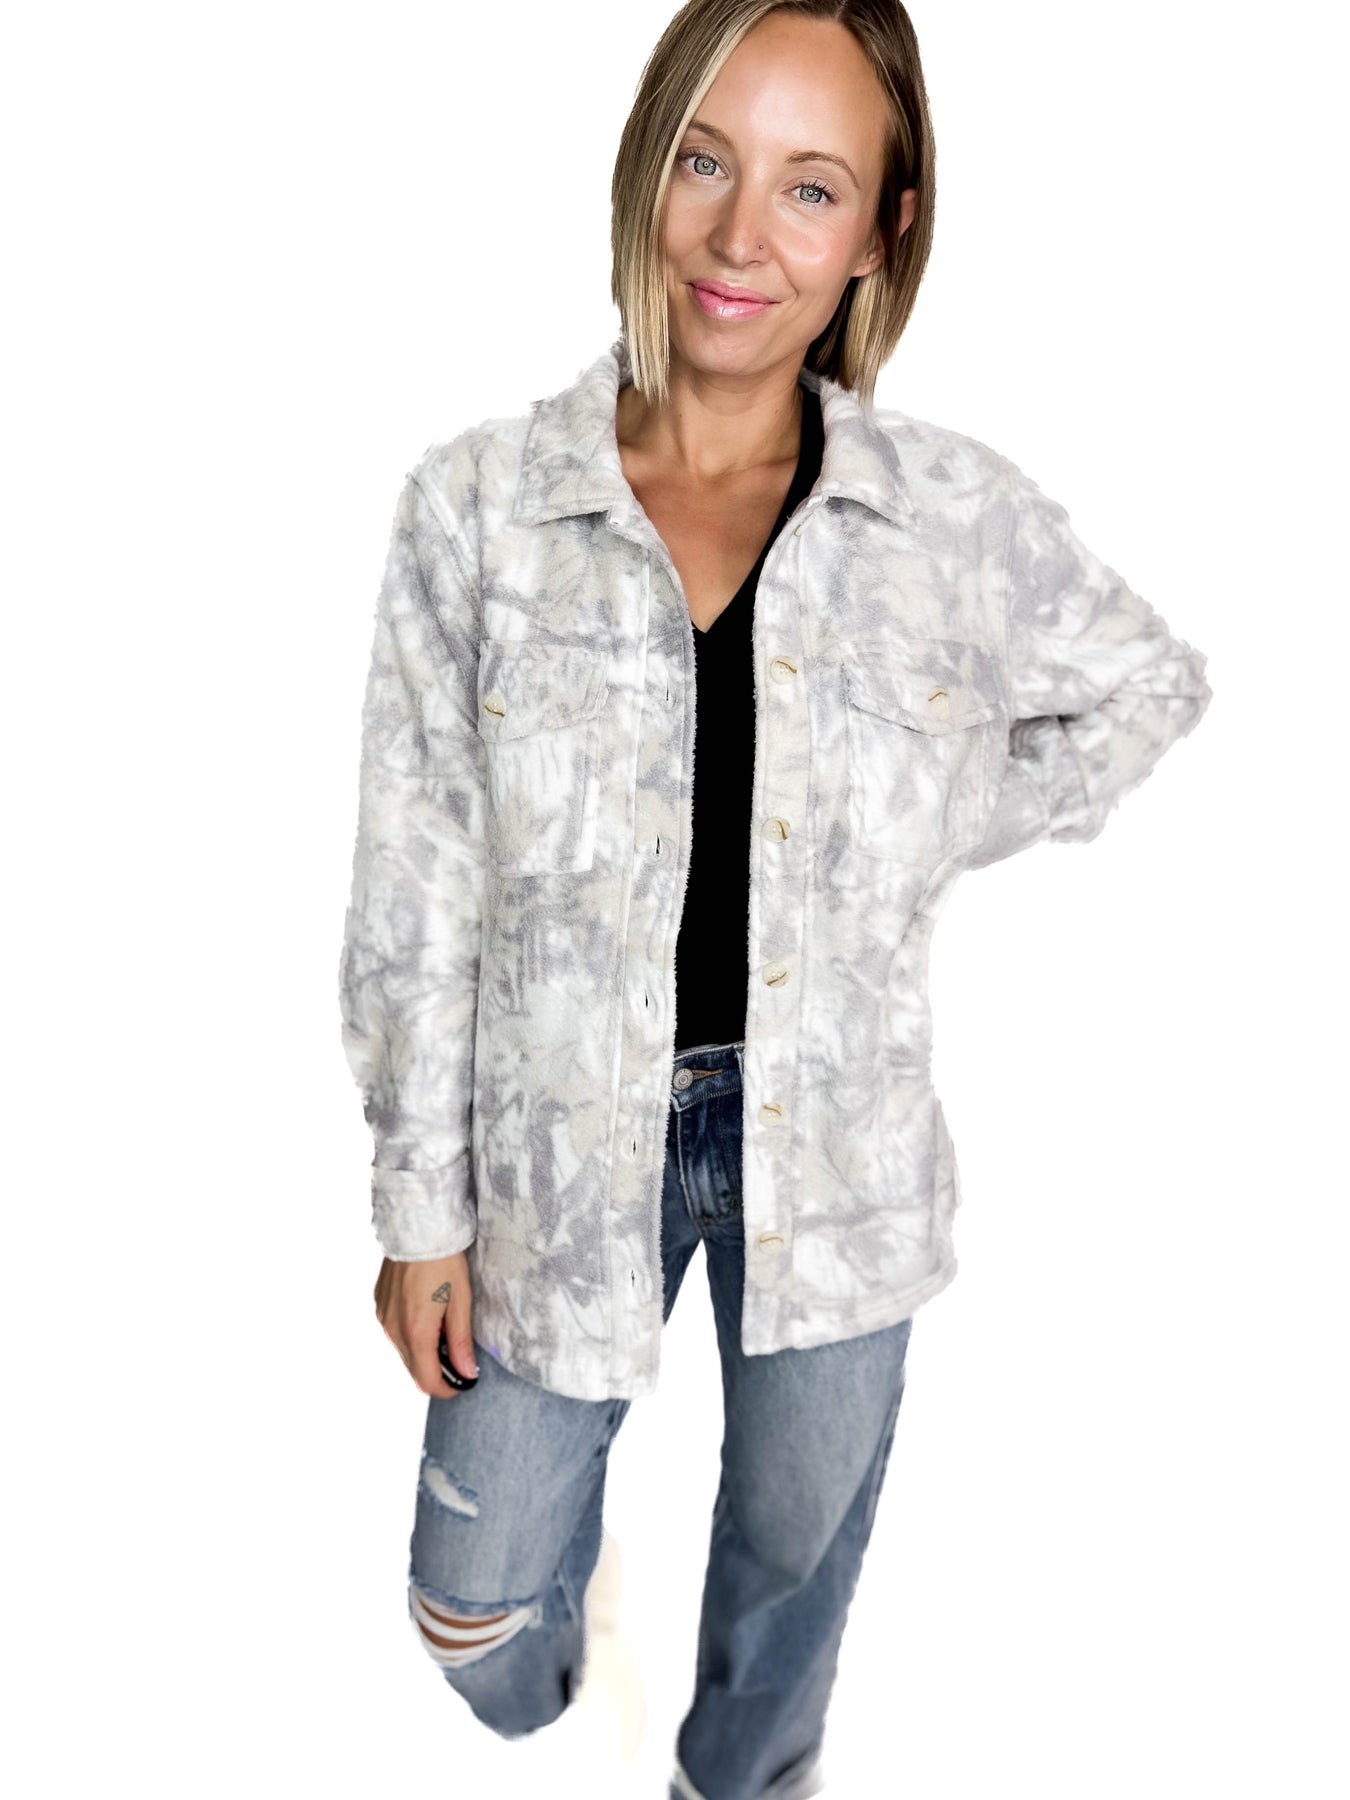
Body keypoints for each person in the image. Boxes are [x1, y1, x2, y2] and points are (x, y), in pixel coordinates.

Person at [337, 3, 1212, 1796]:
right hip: (555, 1151)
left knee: (794, 1557)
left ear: (884, 227)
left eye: (812, 187)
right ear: (643, 169)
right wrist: (420, 1205)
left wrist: (914, 819)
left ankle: (735, 1780)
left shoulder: (941, 513)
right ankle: (576, 1670)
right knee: (473, 1610)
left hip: (842, 1160)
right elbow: (416, 877)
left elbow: (1146, 683)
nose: (741, 236)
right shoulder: (481, 509)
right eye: (704, 162)